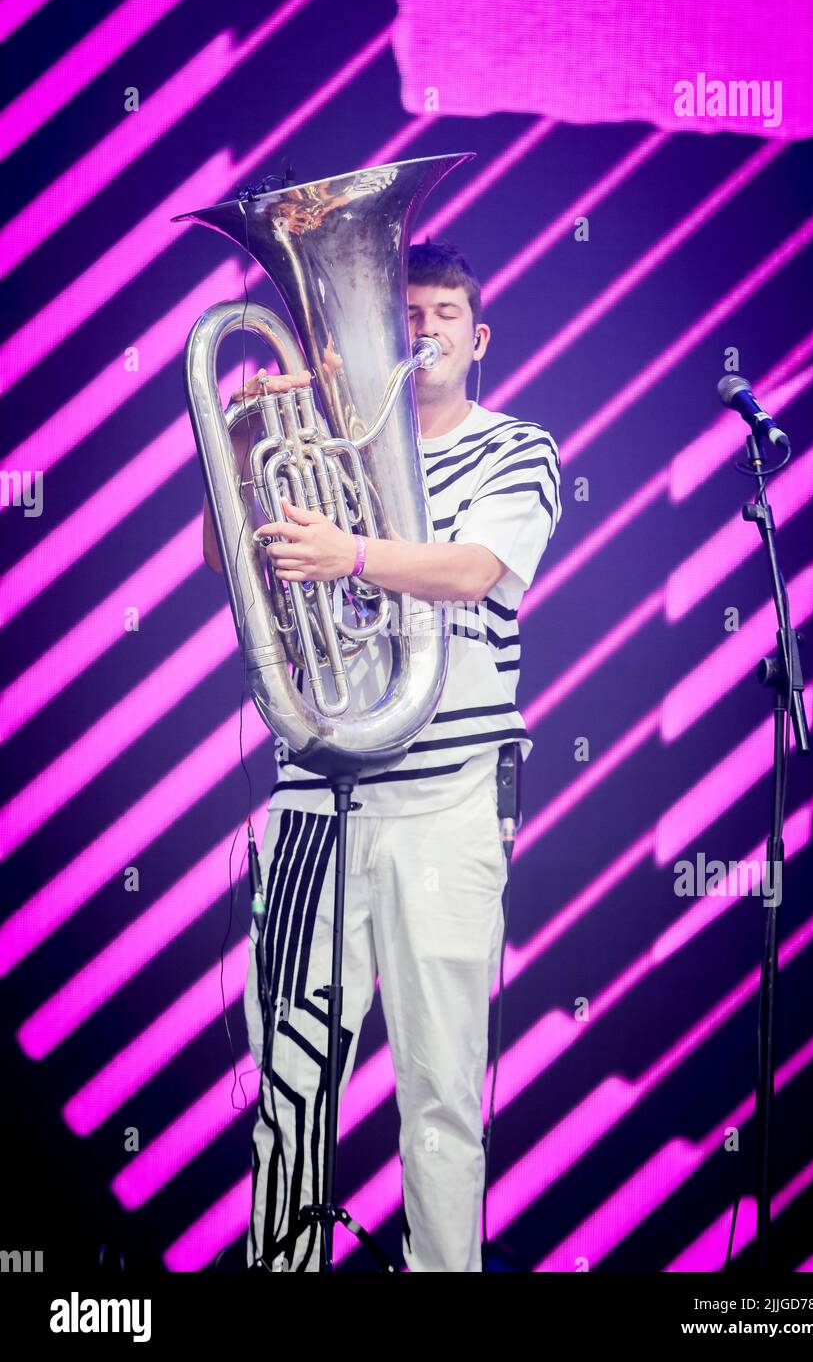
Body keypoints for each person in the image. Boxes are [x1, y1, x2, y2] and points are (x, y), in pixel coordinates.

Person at [202, 240, 562, 1271]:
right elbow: (228, 560)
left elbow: (474, 571)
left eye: (445, 311)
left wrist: (351, 554)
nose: (422, 327)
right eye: (405, 309)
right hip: (317, 797)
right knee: (290, 1083)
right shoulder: (320, 442)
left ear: (476, 337)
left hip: (445, 802)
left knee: (442, 1091)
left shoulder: (514, 447)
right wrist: (236, 451)